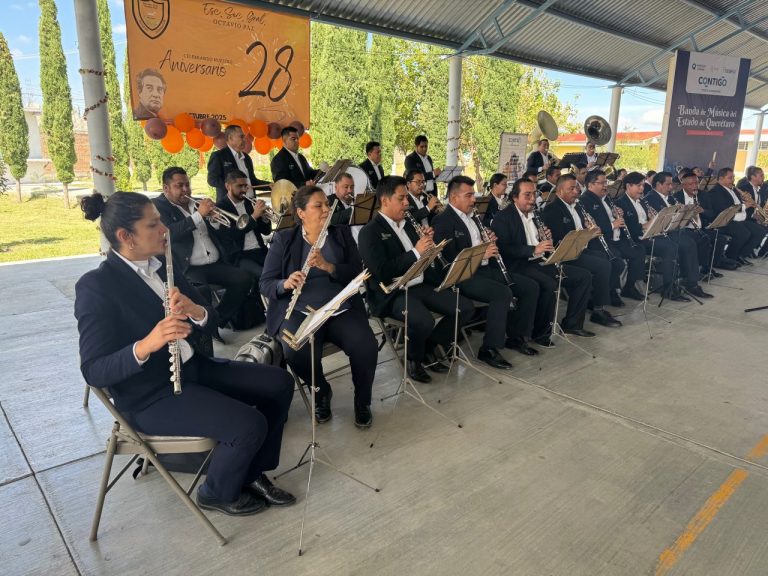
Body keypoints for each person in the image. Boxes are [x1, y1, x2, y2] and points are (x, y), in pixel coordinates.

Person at [75, 191, 295, 516]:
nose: (164, 229)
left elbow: (211, 319)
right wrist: (148, 343)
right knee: (248, 425)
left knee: (279, 383)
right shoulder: (97, 286)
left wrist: (196, 311)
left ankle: (248, 471)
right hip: (149, 395)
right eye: (153, 224)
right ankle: (216, 492)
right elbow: (94, 370)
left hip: (193, 369)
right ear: (126, 237)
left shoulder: (164, 264)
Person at [260, 186, 377, 427]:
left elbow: (357, 272)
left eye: (327, 204)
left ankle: (362, 401)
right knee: (295, 352)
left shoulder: (341, 233)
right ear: (301, 213)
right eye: (318, 205)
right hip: (300, 311)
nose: (326, 209)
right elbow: (265, 283)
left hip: (339, 308)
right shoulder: (284, 239)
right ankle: (322, 392)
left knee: (366, 345)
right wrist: (285, 283)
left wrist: (328, 266)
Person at [358, 176, 474, 383]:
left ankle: (429, 347)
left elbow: (422, 259)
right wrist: (416, 251)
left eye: (406, 198)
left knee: (463, 308)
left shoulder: (409, 225)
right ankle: (413, 359)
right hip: (392, 293)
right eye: (401, 198)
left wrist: (429, 247)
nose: (407, 203)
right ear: (384, 200)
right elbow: (382, 271)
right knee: (423, 320)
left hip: (419, 284)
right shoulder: (369, 232)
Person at [432, 175, 541, 361]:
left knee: (529, 287)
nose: (473, 200)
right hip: (462, 276)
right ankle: (489, 348)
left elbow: (479, 241)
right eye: (468, 196)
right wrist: (481, 254)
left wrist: (487, 239)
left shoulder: (473, 216)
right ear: (454, 197)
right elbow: (449, 260)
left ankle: (516, 336)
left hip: (484, 269)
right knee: (502, 294)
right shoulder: (442, 221)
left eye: (473, 195)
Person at [492, 178, 594, 341]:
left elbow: (541, 243)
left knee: (583, 276)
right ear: (515, 197)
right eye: (527, 195)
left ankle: (572, 324)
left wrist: (545, 238)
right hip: (518, 265)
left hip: (539, 261)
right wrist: (533, 249)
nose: (532, 199)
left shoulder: (536, 214)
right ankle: (539, 332)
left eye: (534, 194)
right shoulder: (503, 217)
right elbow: (504, 248)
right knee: (549, 284)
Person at [153, 167, 253, 331]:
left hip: (214, 262)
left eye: (187, 185)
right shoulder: (158, 207)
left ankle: (218, 318)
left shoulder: (196, 202)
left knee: (244, 278)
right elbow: (169, 233)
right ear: (166, 188)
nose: (186, 190)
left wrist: (214, 221)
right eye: (179, 186)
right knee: (201, 291)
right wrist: (199, 215)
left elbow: (220, 232)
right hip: (188, 267)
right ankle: (206, 326)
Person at [541, 174, 623, 326]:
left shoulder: (577, 206)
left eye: (576, 188)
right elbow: (559, 240)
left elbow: (580, 229)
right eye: (571, 189)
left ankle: (594, 300)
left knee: (606, 258)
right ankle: (598, 310)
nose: (576, 192)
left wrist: (589, 228)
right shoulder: (552, 209)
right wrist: (587, 234)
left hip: (579, 250)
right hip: (565, 255)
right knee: (602, 265)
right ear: (559, 191)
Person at [615, 172, 690, 302]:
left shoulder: (642, 201)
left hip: (648, 235)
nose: (642, 189)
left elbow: (650, 220)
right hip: (635, 239)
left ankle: (673, 282)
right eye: (638, 186)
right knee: (670, 248)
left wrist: (655, 219)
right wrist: (648, 224)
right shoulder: (620, 203)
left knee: (675, 244)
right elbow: (629, 229)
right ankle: (667, 288)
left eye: (643, 185)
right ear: (628, 186)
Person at [644, 171, 713, 298]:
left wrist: (684, 212)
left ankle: (691, 278)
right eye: (668, 184)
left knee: (695, 240)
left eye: (671, 184)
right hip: (661, 234)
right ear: (658, 184)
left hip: (674, 231)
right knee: (687, 244)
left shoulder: (670, 197)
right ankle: (689, 283)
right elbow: (661, 221)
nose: (671, 187)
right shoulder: (650, 198)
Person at [579, 170, 646, 301]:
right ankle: (611, 290)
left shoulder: (605, 198)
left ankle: (629, 287)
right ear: (591, 185)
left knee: (638, 251)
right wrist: (612, 224)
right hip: (599, 241)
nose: (606, 186)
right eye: (602, 183)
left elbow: (609, 216)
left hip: (615, 239)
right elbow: (593, 226)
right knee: (617, 261)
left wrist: (616, 213)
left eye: (606, 182)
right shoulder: (585, 200)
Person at [673, 170, 736, 274]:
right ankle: (697, 268)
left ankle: (708, 266)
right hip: (685, 229)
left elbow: (712, 214)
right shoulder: (676, 197)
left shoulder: (704, 195)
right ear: (683, 185)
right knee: (702, 239)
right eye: (691, 184)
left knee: (720, 239)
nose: (695, 186)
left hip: (701, 228)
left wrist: (703, 211)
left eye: (696, 183)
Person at [216, 169, 271, 280]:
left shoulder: (250, 203)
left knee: (282, 267)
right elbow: (232, 235)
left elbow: (266, 231)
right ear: (228, 186)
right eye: (239, 186)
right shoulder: (220, 207)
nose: (244, 190)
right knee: (264, 275)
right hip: (240, 255)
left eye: (246, 186)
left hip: (260, 250)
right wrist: (254, 216)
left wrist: (264, 218)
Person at [706, 167, 765, 264]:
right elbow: (725, 209)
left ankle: (741, 254)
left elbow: (737, 203)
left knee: (759, 231)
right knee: (744, 233)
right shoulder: (716, 191)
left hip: (739, 219)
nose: (733, 180)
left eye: (733, 177)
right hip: (725, 221)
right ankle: (731, 256)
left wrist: (745, 200)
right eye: (730, 178)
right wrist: (745, 205)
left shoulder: (733, 189)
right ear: (721, 178)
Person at [207, 125, 270, 203]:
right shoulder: (219, 156)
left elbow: (252, 181)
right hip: (230, 204)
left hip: (249, 202)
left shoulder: (247, 158)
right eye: (241, 136)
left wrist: (270, 186)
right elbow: (212, 180)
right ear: (230, 138)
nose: (245, 140)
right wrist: (234, 187)